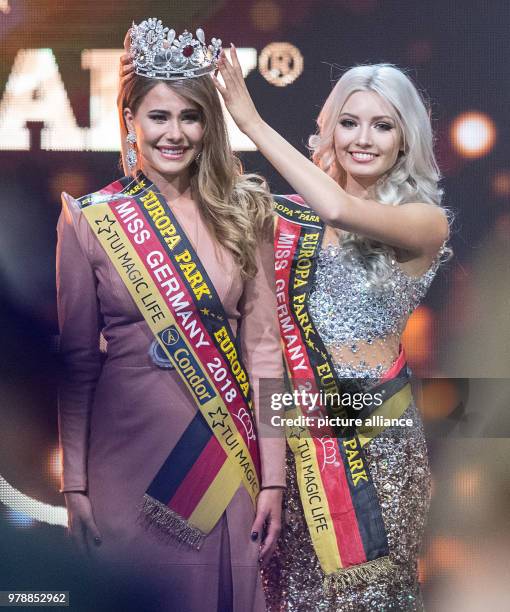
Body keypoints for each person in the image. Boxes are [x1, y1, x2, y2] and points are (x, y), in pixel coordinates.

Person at [57, 20, 285, 612]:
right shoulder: (89, 220)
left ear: (210, 125)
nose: (175, 133)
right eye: (159, 116)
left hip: (221, 457)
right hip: (121, 460)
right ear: (131, 119)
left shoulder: (246, 214)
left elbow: (264, 354)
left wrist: (275, 479)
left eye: (191, 116)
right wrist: (74, 486)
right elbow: (77, 364)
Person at [213, 49, 449, 610]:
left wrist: (250, 122)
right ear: (329, 129)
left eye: (382, 125)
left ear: (404, 140)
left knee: (369, 596)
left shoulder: (423, 221)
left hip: (378, 447)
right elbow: (262, 338)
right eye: (349, 122)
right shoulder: (287, 218)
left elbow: (339, 208)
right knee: (291, 595)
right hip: (295, 446)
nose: (363, 138)